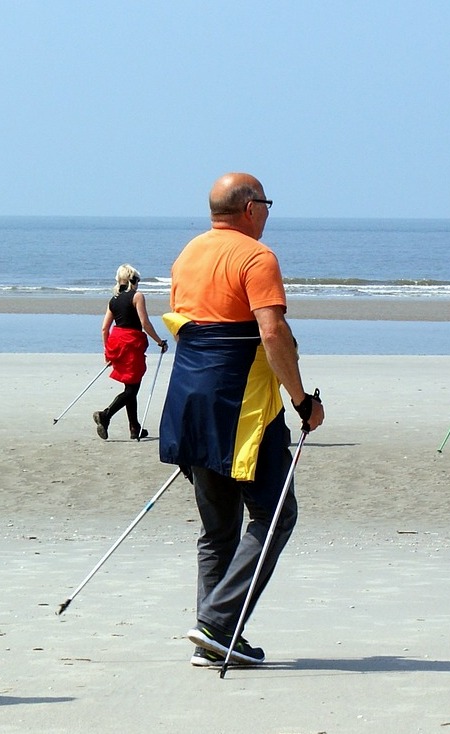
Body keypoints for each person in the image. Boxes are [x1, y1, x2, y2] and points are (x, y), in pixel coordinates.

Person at [158, 172, 325, 667]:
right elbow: (270, 333)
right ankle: (218, 623)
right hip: (241, 407)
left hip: (189, 402)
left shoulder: (188, 253)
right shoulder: (257, 256)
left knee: (218, 529)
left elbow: (203, 322)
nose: (270, 212)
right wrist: (301, 401)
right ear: (250, 208)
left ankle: (212, 636)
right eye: (268, 203)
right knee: (276, 514)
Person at [92, 264, 167, 441]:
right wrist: (159, 341)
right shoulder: (137, 296)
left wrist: (107, 353)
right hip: (132, 344)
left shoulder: (113, 300)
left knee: (129, 387)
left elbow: (104, 329)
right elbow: (145, 323)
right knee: (132, 389)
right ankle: (105, 415)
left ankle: (135, 428)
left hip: (117, 344)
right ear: (134, 280)